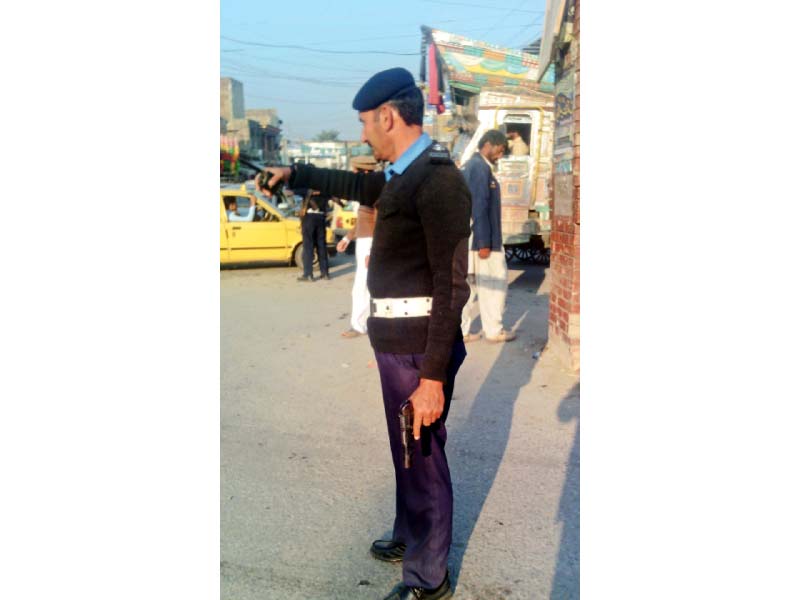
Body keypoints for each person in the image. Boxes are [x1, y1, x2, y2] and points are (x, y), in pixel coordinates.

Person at [259, 67, 471, 600]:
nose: (362, 134)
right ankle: (410, 533)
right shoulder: (404, 172)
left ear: (387, 115)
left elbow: (452, 286)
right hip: (395, 340)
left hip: (421, 346)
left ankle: (429, 578)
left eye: (364, 123)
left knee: (422, 455)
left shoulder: (439, 178)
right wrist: (295, 172)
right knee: (407, 449)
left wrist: (433, 378)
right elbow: (357, 184)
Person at [461, 129, 517, 344]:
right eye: (500, 150)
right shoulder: (479, 167)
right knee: (495, 285)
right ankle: (494, 331)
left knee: (470, 286)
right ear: (489, 145)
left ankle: (462, 331)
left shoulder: (473, 165)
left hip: (473, 239)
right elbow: (479, 205)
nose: (500, 155)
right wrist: (484, 242)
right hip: (483, 240)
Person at [337, 154, 379, 338]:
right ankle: (365, 323)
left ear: (363, 171)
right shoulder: (366, 191)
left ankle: (360, 326)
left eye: (354, 171)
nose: (352, 173)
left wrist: (373, 251)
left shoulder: (374, 192)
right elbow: (362, 221)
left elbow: (379, 222)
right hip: (364, 241)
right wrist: (347, 237)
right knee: (364, 285)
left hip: (370, 242)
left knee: (362, 286)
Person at [296, 189, 330, 282]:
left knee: (308, 246)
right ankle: (325, 273)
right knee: (321, 246)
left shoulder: (307, 186)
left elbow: (294, 191)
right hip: (321, 217)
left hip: (309, 217)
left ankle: (308, 274)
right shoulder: (325, 186)